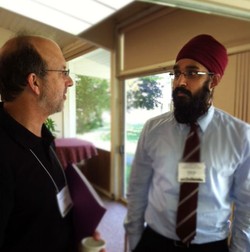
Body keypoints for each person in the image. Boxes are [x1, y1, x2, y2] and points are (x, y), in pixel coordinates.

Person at [124, 34, 250, 252]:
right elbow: (137, 189)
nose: (180, 82)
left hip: (210, 245)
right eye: (176, 73)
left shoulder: (240, 136)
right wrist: (135, 242)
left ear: (214, 80)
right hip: (155, 241)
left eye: (192, 73)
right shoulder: (153, 130)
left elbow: (246, 205)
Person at [0, 34, 105, 252]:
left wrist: (76, 237)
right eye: (63, 72)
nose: (70, 81)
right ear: (35, 82)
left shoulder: (44, 137)